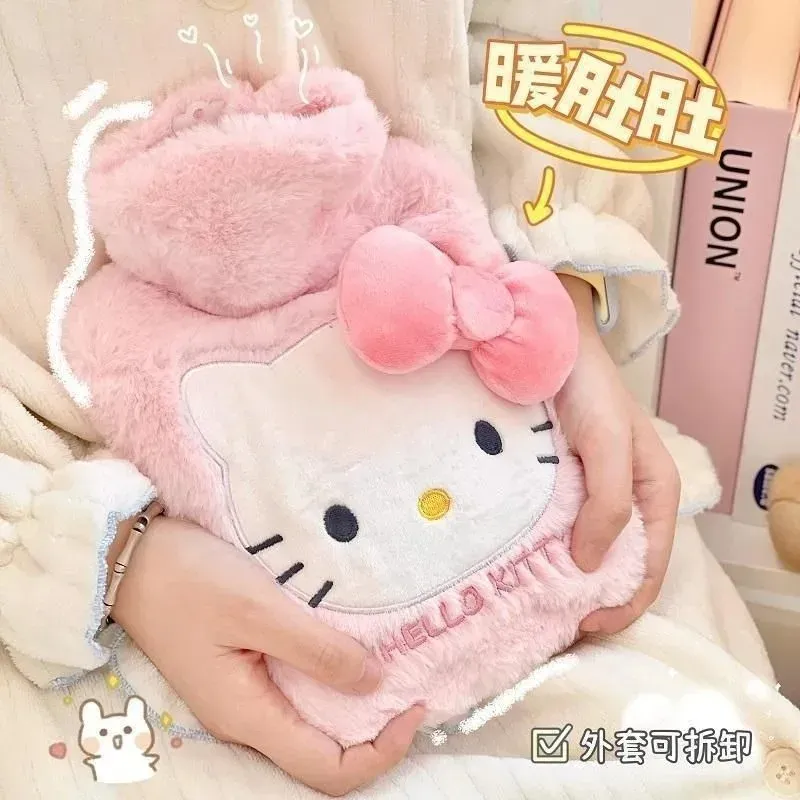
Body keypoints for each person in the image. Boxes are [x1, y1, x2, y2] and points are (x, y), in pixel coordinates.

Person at [1, 2, 797, 799]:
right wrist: (106, 557)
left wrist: (559, 294)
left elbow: (529, 46)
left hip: (542, 441)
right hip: (116, 601)